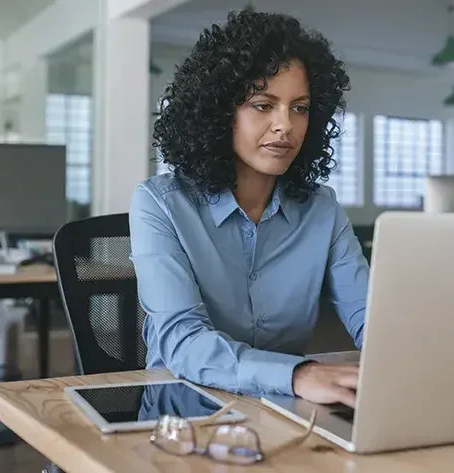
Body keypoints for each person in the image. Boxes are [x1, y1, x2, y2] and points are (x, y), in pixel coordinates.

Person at [130, 7, 367, 408]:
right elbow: (183, 342)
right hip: (182, 420)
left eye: (300, 107)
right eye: (263, 105)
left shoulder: (322, 210)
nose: (285, 125)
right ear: (220, 112)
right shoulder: (159, 203)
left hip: (287, 412)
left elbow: (371, 317)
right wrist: (297, 374)